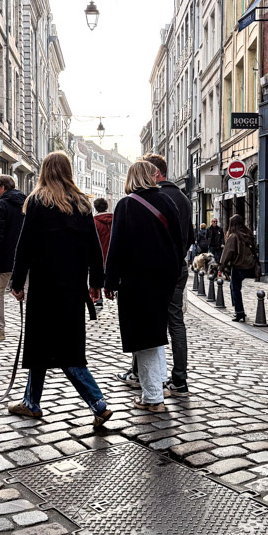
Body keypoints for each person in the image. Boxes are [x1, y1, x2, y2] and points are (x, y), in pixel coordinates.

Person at [8, 152, 112, 427]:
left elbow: (25, 246)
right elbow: (94, 248)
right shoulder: (81, 205)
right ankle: (31, 401)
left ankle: (98, 402)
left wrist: (17, 283)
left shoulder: (38, 202)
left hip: (44, 288)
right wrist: (95, 284)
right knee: (49, 345)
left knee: (62, 350)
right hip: (72, 288)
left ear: (44, 172)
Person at [105, 159, 183, 412]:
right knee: (155, 332)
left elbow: (116, 247)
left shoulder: (126, 205)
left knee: (143, 337)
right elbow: (179, 242)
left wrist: (110, 281)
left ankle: (152, 398)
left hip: (136, 280)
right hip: (164, 278)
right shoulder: (168, 202)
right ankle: (159, 384)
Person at [117, 153, 194, 395]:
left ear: (155, 173)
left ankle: (142, 377)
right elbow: (189, 237)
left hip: (149, 271)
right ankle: (179, 378)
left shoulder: (141, 200)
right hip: (176, 267)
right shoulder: (182, 198)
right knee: (174, 321)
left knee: (146, 322)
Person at [0, 175, 26, 341]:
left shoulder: (1, 204)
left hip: (5, 256)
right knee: (28, 291)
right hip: (24, 255)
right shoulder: (27, 202)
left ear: (2, 187)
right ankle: (31, 330)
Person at [220, 214, 257, 322]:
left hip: (238, 265)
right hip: (249, 265)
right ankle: (238, 310)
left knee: (235, 288)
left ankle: (239, 312)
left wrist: (222, 265)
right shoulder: (248, 233)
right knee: (236, 288)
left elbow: (228, 252)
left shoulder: (233, 236)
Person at [93, 197, 114, 308]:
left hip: (100, 255)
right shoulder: (114, 219)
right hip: (112, 254)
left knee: (97, 276)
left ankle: (99, 297)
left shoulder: (94, 222)